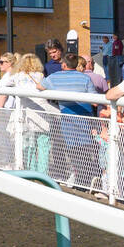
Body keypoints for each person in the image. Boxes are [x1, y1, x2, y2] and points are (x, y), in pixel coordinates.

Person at [47, 52, 102, 189]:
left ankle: (82, 182)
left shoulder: (55, 77)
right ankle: (89, 180)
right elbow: (95, 102)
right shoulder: (85, 78)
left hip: (68, 120)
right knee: (88, 151)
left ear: (64, 65)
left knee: (74, 153)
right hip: (85, 119)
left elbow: (40, 87)